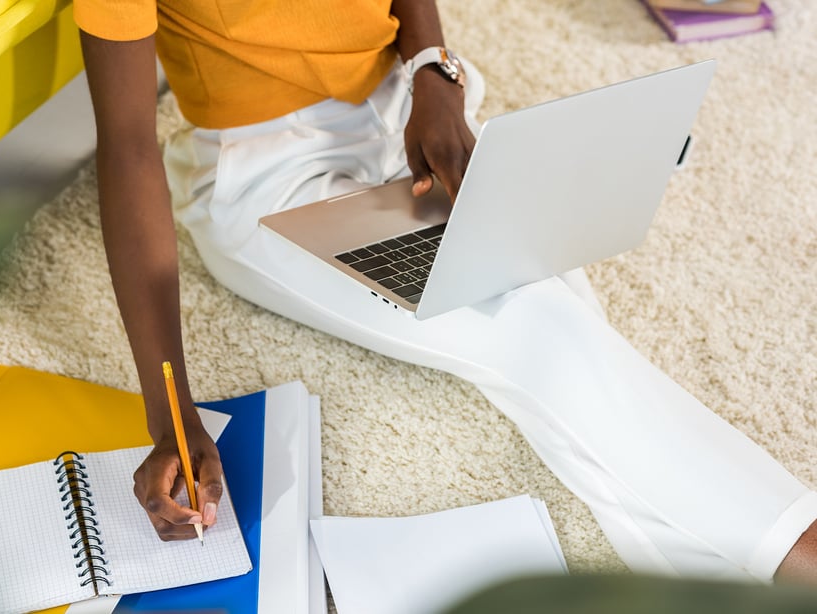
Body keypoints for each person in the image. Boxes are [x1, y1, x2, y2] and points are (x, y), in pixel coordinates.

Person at [74, 0, 817, 582]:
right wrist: (167, 407)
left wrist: (433, 69)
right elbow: (129, 146)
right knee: (537, 327)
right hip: (272, 175)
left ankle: (725, 574)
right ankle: (795, 548)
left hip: (409, 117)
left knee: (559, 301)